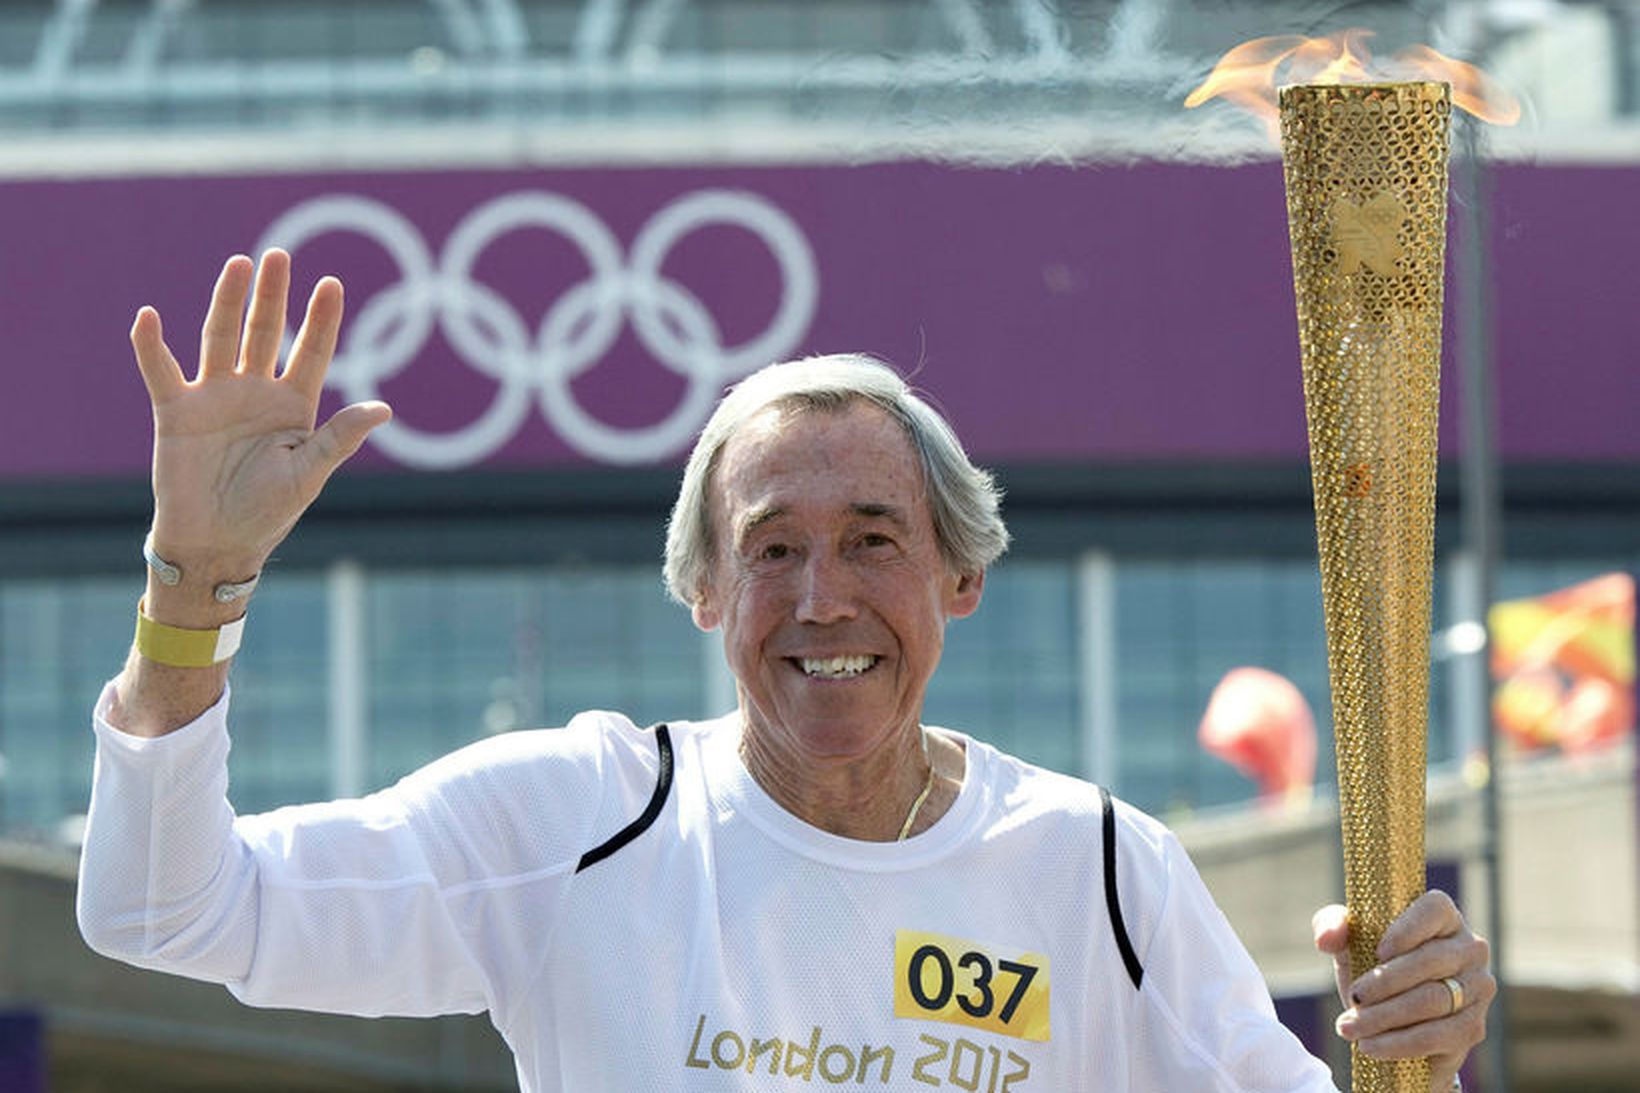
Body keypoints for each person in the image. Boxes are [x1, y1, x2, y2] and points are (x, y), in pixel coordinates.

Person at [78, 250, 1494, 1091]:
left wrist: (1414, 1044)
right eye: (771, 549)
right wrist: (193, 584)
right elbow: (164, 909)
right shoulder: (574, 824)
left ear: (961, 576)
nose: (824, 599)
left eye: (874, 539)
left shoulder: (1101, 872)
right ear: (705, 591)